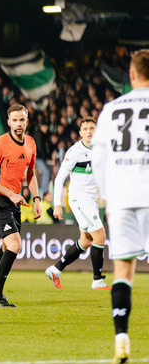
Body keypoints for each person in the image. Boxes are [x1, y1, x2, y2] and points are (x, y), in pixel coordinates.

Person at [91, 49, 149, 364]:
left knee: (123, 271)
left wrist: (108, 194)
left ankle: (121, 340)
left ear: (132, 74)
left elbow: (99, 158)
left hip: (123, 198)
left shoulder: (112, 109)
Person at [0, 104, 42, 308]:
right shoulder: (0, 144)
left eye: (21, 120)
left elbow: (30, 174)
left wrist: (36, 198)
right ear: (9, 122)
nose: (18, 124)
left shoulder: (30, 143)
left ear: (27, 121)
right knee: (15, 245)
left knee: (7, 247)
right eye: (14, 120)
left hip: (13, 200)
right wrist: (11, 194)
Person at [45, 117, 111, 290]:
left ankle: (55, 269)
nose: (89, 131)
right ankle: (97, 280)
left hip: (92, 198)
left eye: (92, 128)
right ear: (80, 133)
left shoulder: (101, 150)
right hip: (79, 199)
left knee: (86, 240)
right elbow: (59, 179)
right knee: (100, 235)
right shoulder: (75, 151)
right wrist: (57, 204)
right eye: (86, 129)